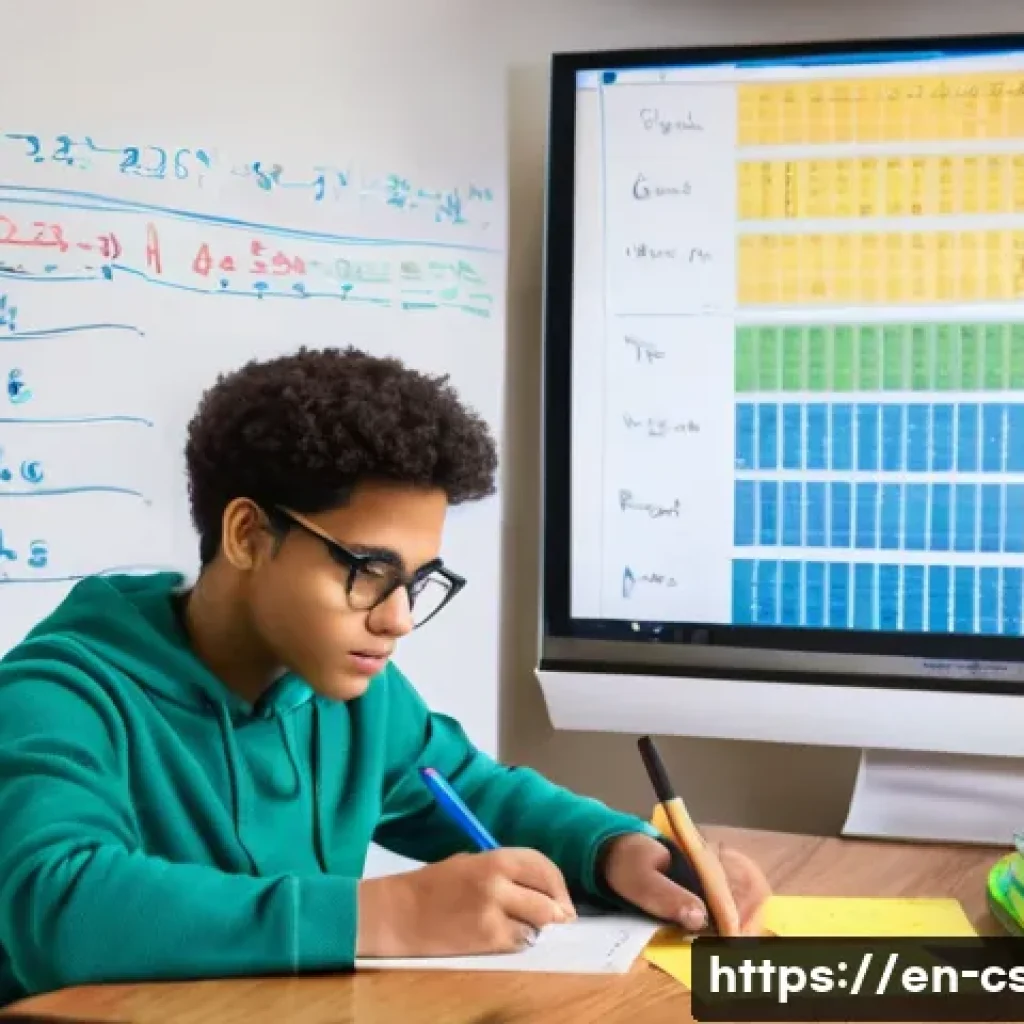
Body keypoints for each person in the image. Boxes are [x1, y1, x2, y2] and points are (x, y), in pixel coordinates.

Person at [0, 347, 769, 1003]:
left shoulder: (349, 692)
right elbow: (57, 906)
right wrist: (380, 916)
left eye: (418, 581)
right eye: (370, 570)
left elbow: (475, 790)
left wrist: (621, 852)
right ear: (245, 535)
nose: (398, 617)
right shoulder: (59, 695)